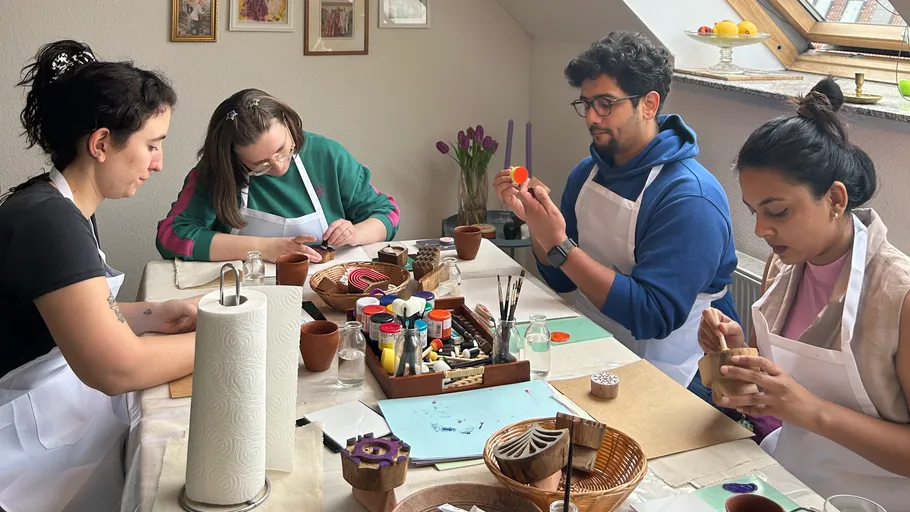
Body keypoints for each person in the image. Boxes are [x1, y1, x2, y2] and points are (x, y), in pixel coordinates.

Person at [0, 40, 198, 512]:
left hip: (56, 421)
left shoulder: (61, 205)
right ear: (102, 143)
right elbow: (117, 368)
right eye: (152, 145)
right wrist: (232, 335)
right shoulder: (48, 222)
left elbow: (71, 311)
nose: (158, 163)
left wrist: (153, 314)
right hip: (24, 453)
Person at [698, 77, 910, 508]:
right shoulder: (786, 263)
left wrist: (810, 411)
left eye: (777, 211)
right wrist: (735, 358)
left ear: (834, 199)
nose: (760, 230)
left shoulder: (898, 296)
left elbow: (804, 406)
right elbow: (762, 399)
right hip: (790, 478)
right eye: (754, 212)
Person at [494, 31, 740, 387]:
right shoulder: (587, 173)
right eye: (586, 103)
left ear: (650, 104)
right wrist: (537, 226)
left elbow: (652, 316)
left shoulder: (689, 198)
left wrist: (560, 245)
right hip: (595, 345)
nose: (591, 117)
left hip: (674, 374)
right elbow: (562, 278)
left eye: (606, 103)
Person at [156, 88, 401, 263]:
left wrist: (355, 233)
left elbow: (387, 213)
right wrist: (263, 248)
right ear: (233, 158)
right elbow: (172, 236)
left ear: (289, 124)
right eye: (260, 164)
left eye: (283, 149)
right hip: (247, 293)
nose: (279, 166)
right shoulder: (217, 172)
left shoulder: (326, 155)